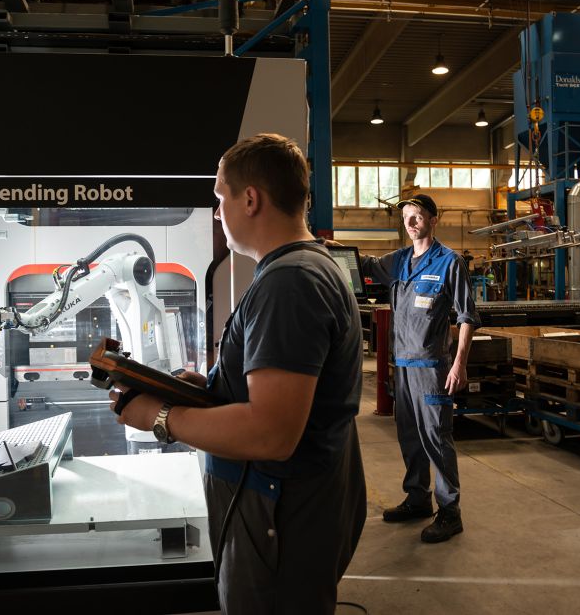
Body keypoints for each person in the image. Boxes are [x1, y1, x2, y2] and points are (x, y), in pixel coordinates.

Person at [110, 133, 367, 614]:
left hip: (277, 514)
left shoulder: (289, 283)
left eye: (219, 197)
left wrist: (160, 417)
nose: (215, 212)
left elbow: (272, 433)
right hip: (293, 507)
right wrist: (205, 389)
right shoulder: (304, 268)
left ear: (251, 199)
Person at [361, 193, 480, 543]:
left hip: (432, 367)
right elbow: (365, 265)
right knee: (410, 437)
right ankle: (417, 498)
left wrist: (459, 364)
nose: (411, 223)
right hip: (403, 365)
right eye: (406, 217)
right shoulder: (398, 260)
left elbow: (467, 317)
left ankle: (450, 511)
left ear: (433, 219)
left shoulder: (449, 262)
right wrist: (332, 247)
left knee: (435, 438)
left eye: (417, 216)